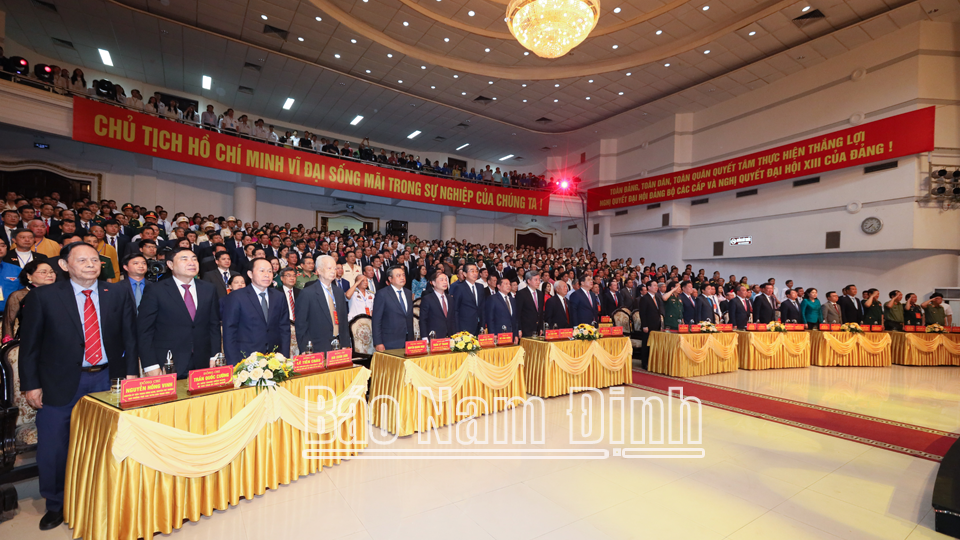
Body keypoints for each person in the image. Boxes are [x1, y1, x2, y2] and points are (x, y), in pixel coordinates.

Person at [19, 242, 138, 531]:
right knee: (54, 446)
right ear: (65, 265)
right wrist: (31, 384)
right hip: (60, 381)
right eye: (82, 260)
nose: (90, 264)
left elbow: (130, 336)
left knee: (107, 441)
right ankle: (56, 503)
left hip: (108, 379)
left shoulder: (117, 293)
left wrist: (132, 374)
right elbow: (30, 346)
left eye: (95, 260)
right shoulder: (44, 297)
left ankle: (100, 494)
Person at [137, 247, 221, 378]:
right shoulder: (155, 290)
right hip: (168, 362)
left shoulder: (208, 289)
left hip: (203, 362)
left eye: (194, 259)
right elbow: (144, 330)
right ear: (170, 265)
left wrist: (215, 356)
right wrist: (150, 365)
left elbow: (214, 326)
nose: (192, 263)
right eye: (184, 259)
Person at [221, 258, 291, 365]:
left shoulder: (279, 296)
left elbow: (284, 328)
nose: (267, 275)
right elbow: (229, 331)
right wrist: (234, 362)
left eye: (269, 271)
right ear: (250, 274)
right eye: (262, 271)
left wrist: (284, 357)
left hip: (274, 359)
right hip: (246, 359)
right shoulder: (236, 297)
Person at [295, 255, 351, 353]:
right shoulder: (307, 293)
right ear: (319, 270)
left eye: (334, 268)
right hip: (317, 346)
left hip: (339, 345)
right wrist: (305, 349)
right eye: (329, 268)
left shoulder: (339, 292)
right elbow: (301, 324)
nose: (333, 271)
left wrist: (346, 344)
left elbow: (343, 320)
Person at [2, 260, 56, 340]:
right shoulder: (18, 296)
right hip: (28, 339)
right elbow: (8, 323)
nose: (49, 275)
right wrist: (8, 345)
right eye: (43, 272)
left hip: (56, 339)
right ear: (29, 276)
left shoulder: (60, 293)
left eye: (52, 272)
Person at [372, 266, 414, 350]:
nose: (402, 278)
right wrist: (378, 342)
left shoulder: (408, 293)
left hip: (408, 340)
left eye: (403, 275)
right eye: (398, 275)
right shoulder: (382, 294)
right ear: (390, 279)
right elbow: (376, 320)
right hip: (390, 341)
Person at [418, 270, 457, 339]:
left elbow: (453, 318)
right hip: (434, 336)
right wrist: (424, 337)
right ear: (434, 283)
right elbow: (423, 320)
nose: (445, 282)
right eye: (441, 280)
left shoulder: (450, 298)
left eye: (446, 280)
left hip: (450, 336)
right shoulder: (427, 299)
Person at [451, 262, 486, 334]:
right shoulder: (459, 288)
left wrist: (483, 325)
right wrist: (457, 329)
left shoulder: (480, 287)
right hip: (465, 326)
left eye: (476, 271)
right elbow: (455, 309)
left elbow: (482, 307)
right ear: (465, 274)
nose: (475, 273)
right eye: (472, 271)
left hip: (479, 326)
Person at [484, 277, 519, 341]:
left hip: (511, 334)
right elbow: (490, 318)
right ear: (498, 286)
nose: (508, 286)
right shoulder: (492, 299)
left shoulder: (512, 300)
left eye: (509, 284)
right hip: (498, 334)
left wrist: (516, 334)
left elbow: (515, 319)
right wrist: (493, 334)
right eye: (506, 284)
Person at [516, 270, 544, 338]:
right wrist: (519, 329)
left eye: (539, 280)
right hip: (525, 329)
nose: (538, 282)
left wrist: (540, 327)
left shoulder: (540, 293)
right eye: (535, 280)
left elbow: (540, 312)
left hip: (537, 329)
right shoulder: (521, 293)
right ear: (528, 281)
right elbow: (518, 313)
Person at [0, 238, 24, 311]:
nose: (0, 248)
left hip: (9, 316)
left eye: (2, 245)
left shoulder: (16, 270)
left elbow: (23, 293)